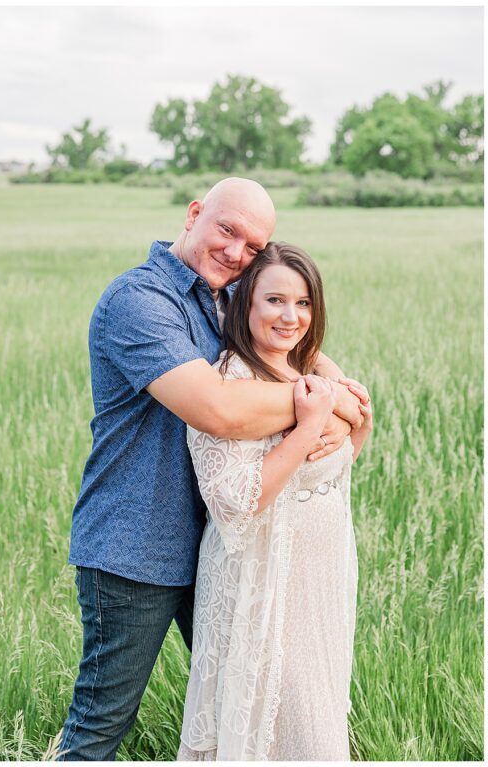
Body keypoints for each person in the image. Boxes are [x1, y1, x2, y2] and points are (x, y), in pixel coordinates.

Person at [58, 179, 365, 760]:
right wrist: (321, 401)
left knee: (248, 704)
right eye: (228, 231)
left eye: (253, 246)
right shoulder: (141, 300)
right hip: (136, 549)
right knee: (101, 725)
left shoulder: (226, 296)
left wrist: (332, 387)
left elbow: (297, 336)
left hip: (224, 550)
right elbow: (218, 409)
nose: (236, 253)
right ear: (195, 214)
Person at [178, 243, 372, 759]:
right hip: (264, 583)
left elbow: (336, 466)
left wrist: (360, 423)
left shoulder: (307, 374)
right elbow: (237, 502)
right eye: (276, 301)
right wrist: (309, 425)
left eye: (304, 303)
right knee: (281, 722)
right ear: (245, 304)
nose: (291, 317)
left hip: (322, 580)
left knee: (316, 717)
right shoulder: (232, 380)